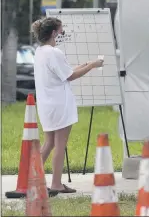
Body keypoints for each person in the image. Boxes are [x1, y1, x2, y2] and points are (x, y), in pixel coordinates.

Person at [31, 17, 104, 193]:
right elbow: (70, 76)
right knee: (60, 144)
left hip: (47, 105)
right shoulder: (55, 52)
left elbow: (63, 72)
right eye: (61, 29)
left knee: (49, 143)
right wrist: (93, 65)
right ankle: (56, 184)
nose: (63, 32)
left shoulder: (40, 52)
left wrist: (84, 65)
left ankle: (31, 180)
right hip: (60, 105)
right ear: (54, 32)